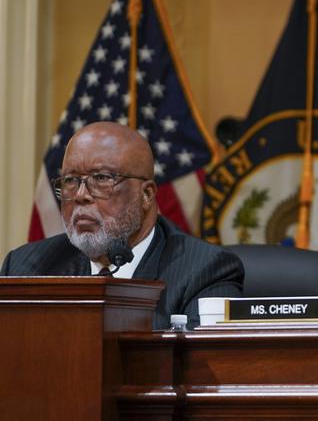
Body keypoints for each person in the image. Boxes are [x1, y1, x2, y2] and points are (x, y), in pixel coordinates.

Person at [1, 122, 244, 329]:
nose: (81, 195)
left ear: (147, 195)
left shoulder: (205, 271)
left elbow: (204, 376)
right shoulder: (26, 267)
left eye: (102, 178)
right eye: (71, 181)